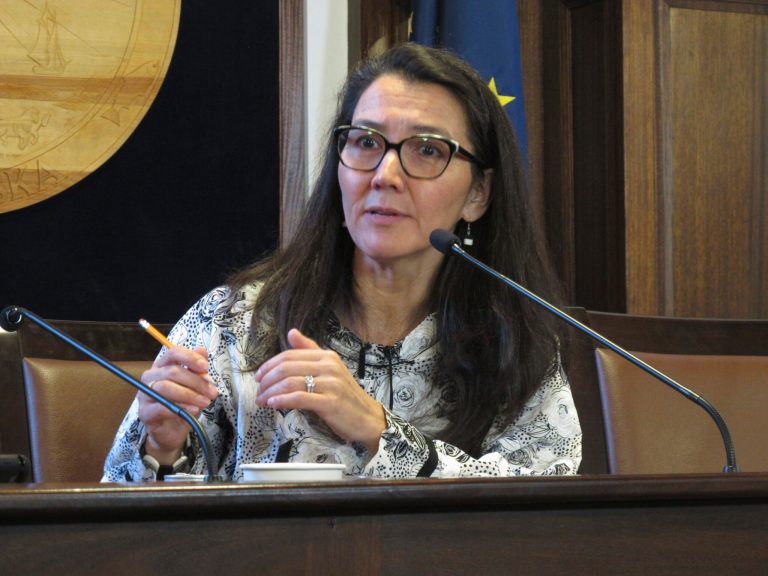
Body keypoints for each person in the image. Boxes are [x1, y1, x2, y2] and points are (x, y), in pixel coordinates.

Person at [103, 43, 582, 482]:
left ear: (478, 194)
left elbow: (542, 510)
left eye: (428, 150)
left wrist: (378, 430)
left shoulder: (515, 342)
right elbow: (122, 525)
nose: (386, 174)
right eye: (367, 143)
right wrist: (163, 448)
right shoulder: (231, 323)